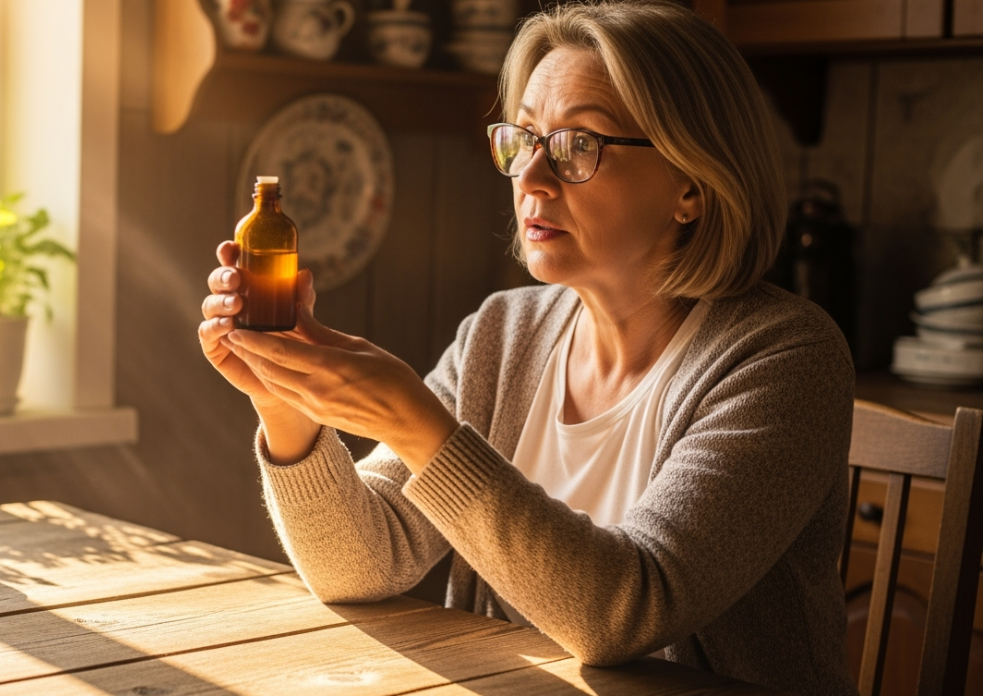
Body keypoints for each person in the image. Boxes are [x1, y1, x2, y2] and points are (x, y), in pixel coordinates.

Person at [197, 2, 856, 694]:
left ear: (690, 184)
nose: (531, 180)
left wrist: (417, 424)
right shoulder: (505, 334)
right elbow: (364, 564)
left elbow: (627, 611)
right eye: (525, 139)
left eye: (578, 146)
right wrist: (287, 406)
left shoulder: (786, 360)